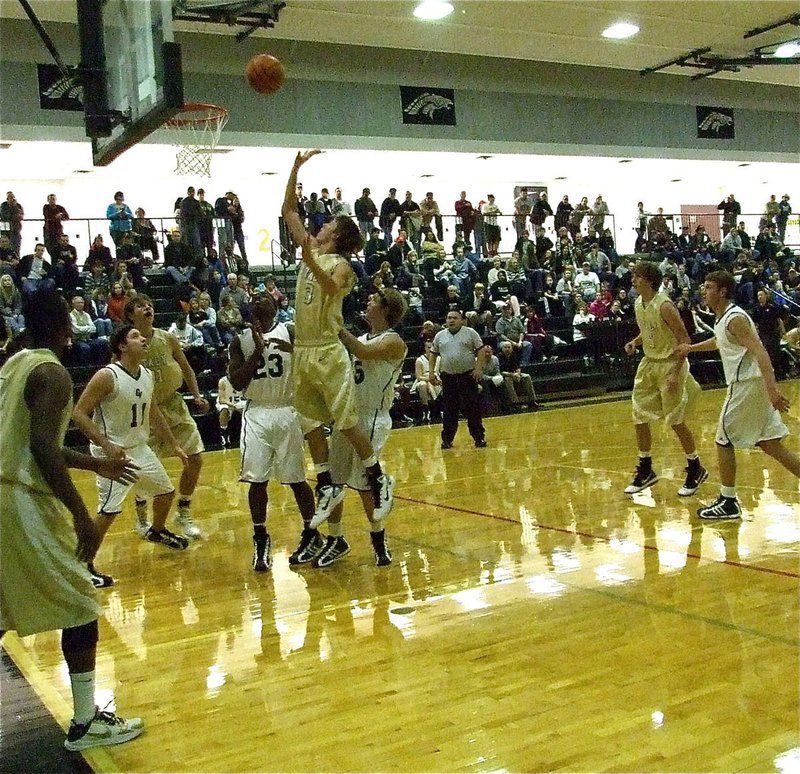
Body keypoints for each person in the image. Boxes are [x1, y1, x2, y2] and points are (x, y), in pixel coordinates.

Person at [0, 288, 143, 751]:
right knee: (81, 602)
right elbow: (41, 448)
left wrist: (95, 464)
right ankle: (86, 723)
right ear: (65, 325)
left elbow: (27, 440)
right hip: (21, 500)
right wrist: (81, 514)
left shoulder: (14, 365)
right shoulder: (53, 373)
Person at [281, 149, 394, 526]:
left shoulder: (343, 265)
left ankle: (378, 477)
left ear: (338, 234)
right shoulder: (311, 248)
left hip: (329, 351)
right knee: (310, 423)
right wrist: (295, 169)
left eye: (330, 222)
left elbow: (330, 286)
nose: (323, 223)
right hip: (303, 350)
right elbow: (289, 213)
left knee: (345, 422)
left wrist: (307, 258)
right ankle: (327, 482)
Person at [72, 325, 191, 587]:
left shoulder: (147, 374)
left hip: (139, 448)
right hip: (113, 455)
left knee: (165, 492)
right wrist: (105, 445)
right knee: (108, 510)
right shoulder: (107, 375)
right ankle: (82, 565)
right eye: (135, 336)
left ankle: (157, 531)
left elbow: (153, 412)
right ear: (122, 346)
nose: (142, 339)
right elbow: (78, 413)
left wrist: (173, 445)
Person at [675, 270, 799, 519]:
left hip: (746, 385)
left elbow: (761, 351)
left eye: (709, 287)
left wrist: (772, 389)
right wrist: (691, 348)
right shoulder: (723, 319)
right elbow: (720, 341)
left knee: (723, 439)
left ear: (722, 291)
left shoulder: (735, 318)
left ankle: (728, 500)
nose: (704, 290)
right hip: (751, 386)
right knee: (771, 445)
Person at [316, 287, 408, 567]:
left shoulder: (393, 341)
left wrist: (338, 329)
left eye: (373, 300)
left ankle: (379, 540)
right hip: (349, 417)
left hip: (372, 418)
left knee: (367, 484)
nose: (368, 302)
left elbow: (364, 352)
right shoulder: (365, 336)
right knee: (334, 482)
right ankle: (336, 539)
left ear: (386, 309)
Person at [227, 294, 318, 571]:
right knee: (257, 480)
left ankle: (311, 532)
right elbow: (237, 383)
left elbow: (311, 360)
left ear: (275, 307)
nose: (258, 299)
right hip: (257, 412)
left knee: (296, 478)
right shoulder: (239, 341)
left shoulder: (289, 330)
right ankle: (261, 536)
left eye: (264, 297)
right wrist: (256, 351)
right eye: (254, 297)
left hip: (287, 408)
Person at [123, 295, 210, 539]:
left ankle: (183, 510)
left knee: (195, 459)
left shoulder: (167, 338)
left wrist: (196, 395)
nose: (148, 307)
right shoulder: (127, 343)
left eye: (149, 304)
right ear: (130, 315)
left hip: (174, 404)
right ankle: (142, 514)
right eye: (141, 306)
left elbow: (186, 367)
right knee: (143, 469)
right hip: (145, 413)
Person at [623, 262, 707, 496]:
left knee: (675, 420)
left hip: (671, 364)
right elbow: (649, 330)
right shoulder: (639, 303)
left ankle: (695, 466)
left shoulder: (665, 305)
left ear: (649, 280)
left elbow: (684, 339)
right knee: (638, 415)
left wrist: (675, 373)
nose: (633, 280)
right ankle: (646, 468)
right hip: (649, 364)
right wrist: (635, 342)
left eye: (637, 276)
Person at [430, 309, 487, 449]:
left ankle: (479, 437)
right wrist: (431, 372)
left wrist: (478, 369)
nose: (451, 320)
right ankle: (447, 439)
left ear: (462, 320)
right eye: (449, 318)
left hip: (467, 376)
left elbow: (481, 350)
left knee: (472, 408)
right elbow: (433, 354)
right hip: (448, 377)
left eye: (455, 318)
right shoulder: (440, 336)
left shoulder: (471, 333)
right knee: (450, 410)